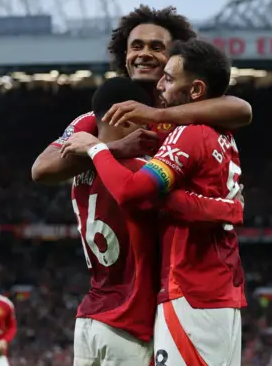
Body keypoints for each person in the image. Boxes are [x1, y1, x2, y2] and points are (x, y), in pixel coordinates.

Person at [61, 39, 246, 366]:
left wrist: (97, 150)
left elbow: (133, 191)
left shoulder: (187, 133)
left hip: (186, 292)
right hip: (205, 290)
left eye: (170, 78)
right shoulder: (220, 134)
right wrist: (226, 209)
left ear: (196, 89)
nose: (160, 83)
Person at [31, 5, 252, 185]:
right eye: (137, 46)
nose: (144, 54)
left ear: (174, 56)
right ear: (125, 54)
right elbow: (41, 170)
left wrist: (156, 115)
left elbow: (241, 109)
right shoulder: (101, 116)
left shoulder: (190, 115)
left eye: (156, 47)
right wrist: (114, 148)